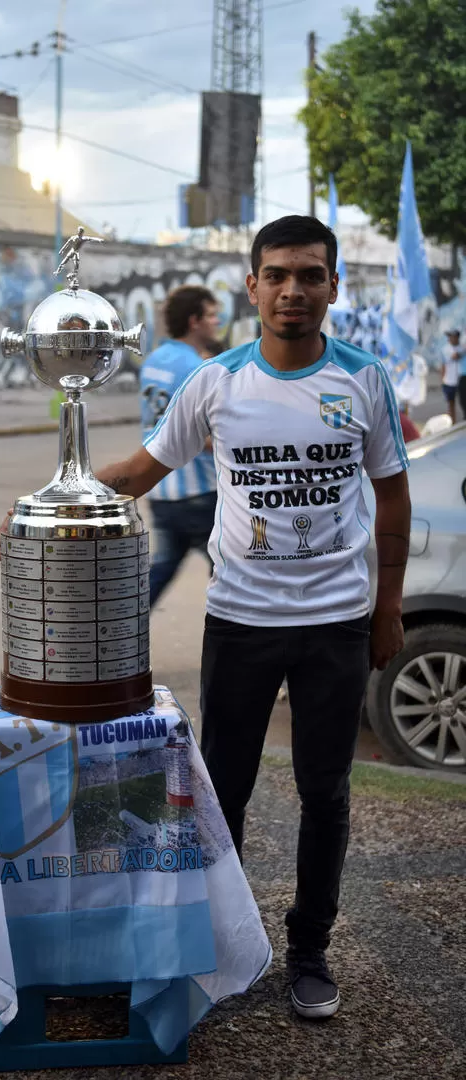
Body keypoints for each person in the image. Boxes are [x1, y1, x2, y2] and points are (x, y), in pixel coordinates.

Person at [36, 216, 411, 1020]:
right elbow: (142, 468)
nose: (293, 291)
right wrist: (47, 506)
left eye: (311, 275)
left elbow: (393, 498)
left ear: (333, 287)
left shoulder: (364, 379)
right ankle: (217, 948)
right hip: (240, 622)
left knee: (327, 791)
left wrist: (387, 611)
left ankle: (309, 951)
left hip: (337, 623)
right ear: (252, 286)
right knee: (221, 794)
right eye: (276, 275)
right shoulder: (216, 383)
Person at [140, 285, 221, 606]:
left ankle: (114, 633)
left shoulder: (154, 361)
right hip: (199, 496)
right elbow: (201, 437)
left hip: (161, 491)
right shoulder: (196, 368)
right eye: (212, 315)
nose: (218, 321)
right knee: (235, 573)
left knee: (160, 570)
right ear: (194, 321)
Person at [442, 329, 462, 425]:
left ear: (457, 338)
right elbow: (453, 357)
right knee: (451, 404)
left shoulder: (460, 347)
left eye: (451, 336)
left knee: (462, 403)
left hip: (460, 379)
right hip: (449, 381)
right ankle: (452, 423)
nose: (449, 339)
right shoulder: (447, 349)